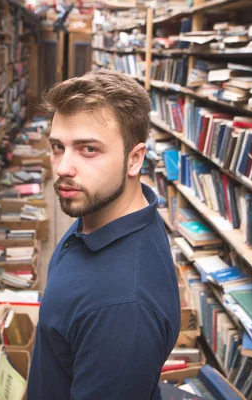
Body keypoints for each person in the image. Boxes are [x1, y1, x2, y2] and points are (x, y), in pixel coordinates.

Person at [27, 69, 181, 400]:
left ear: (135, 159)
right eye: (58, 146)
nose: (63, 168)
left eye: (88, 150)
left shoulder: (122, 308)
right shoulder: (104, 211)